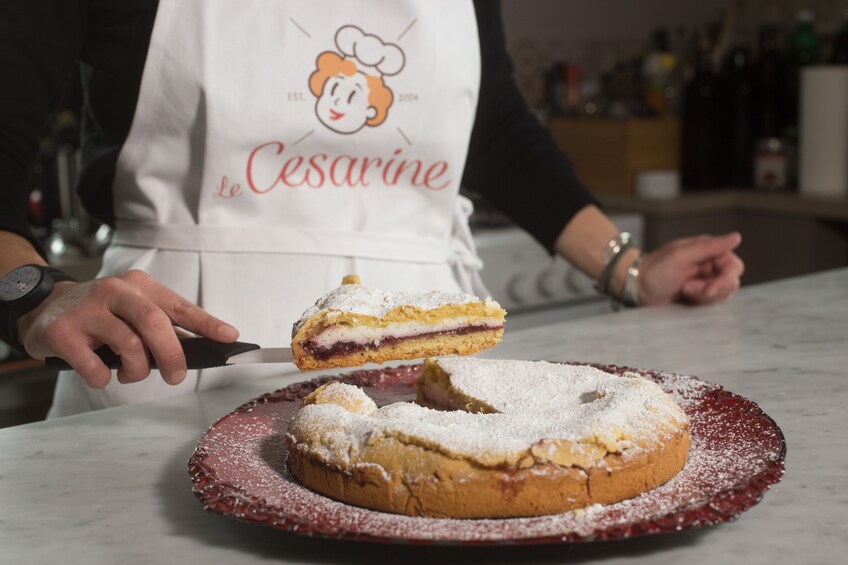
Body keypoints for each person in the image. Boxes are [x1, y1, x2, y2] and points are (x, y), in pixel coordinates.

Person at [0, 0, 743, 418]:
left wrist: (630, 269)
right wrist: (33, 295)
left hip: (438, 382)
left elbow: (497, 132)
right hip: (171, 373)